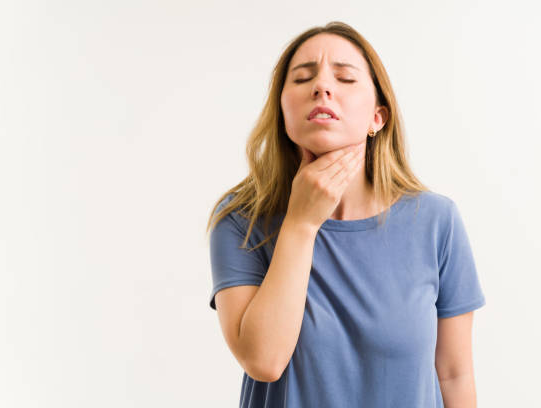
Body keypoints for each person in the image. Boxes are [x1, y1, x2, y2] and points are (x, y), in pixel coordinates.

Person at [206, 21, 486, 408]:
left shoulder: (437, 221)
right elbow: (264, 362)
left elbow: (454, 375)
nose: (322, 87)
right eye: (303, 78)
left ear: (378, 117)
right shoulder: (241, 220)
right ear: (283, 112)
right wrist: (301, 224)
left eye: (345, 78)